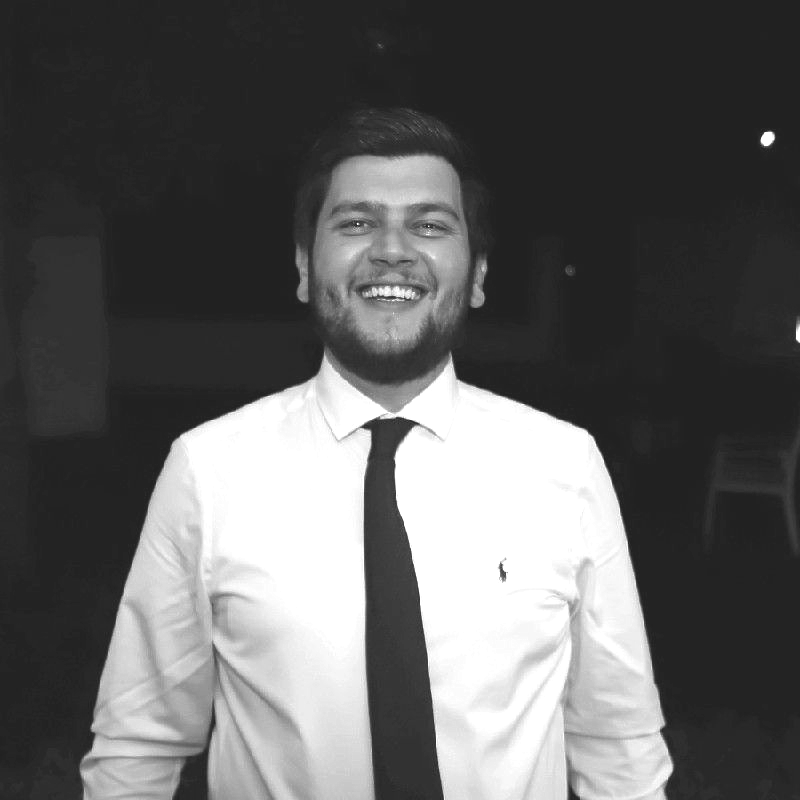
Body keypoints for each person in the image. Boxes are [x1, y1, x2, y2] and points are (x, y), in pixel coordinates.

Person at [80, 107, 673, 799]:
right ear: (304, 267)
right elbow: (138, 745)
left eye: (430, 225)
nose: (393, 250)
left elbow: (617, 745)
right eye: (357, 223)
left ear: (479, 273)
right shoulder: (208, 471)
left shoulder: (565, 465)